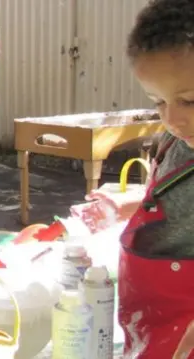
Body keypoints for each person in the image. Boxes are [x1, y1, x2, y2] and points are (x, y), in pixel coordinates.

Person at [86, 0, 194, 357]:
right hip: (152, 323)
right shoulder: (177, 140)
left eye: (190, 101)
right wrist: (130, 203)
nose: (173, 119)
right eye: (158, 101)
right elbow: (177, 196)